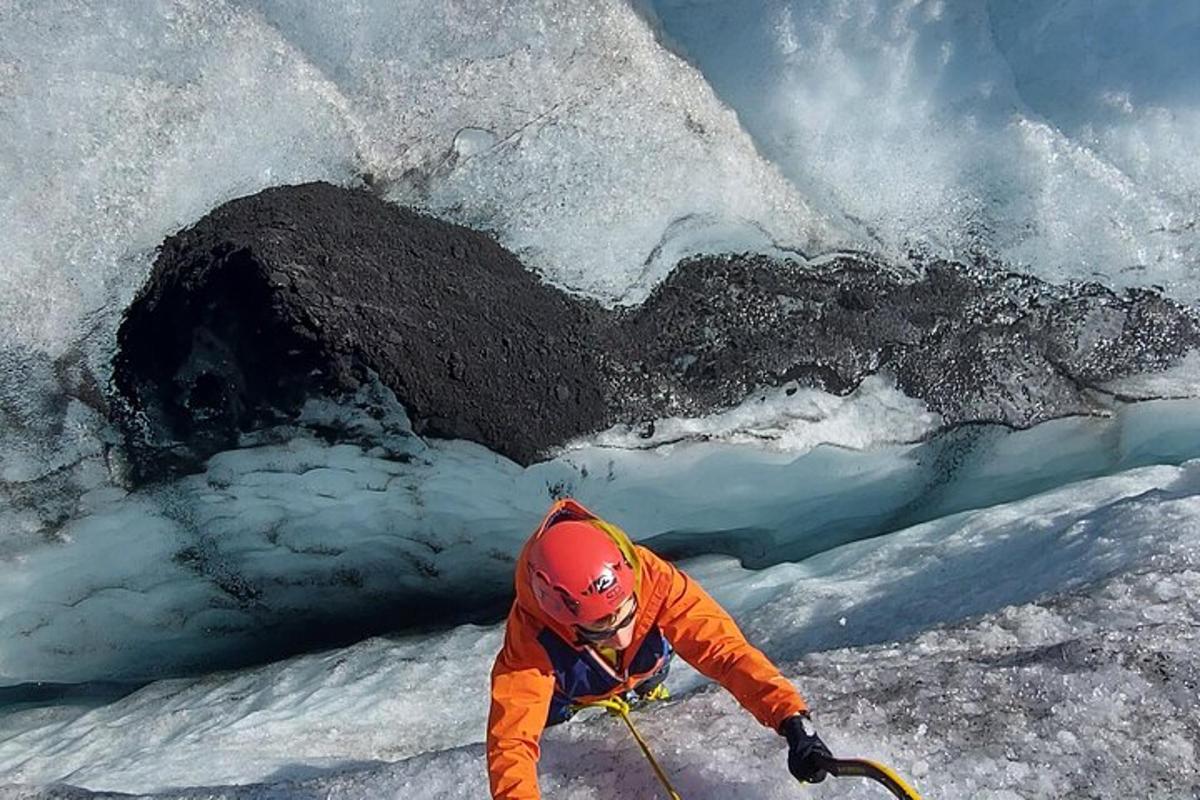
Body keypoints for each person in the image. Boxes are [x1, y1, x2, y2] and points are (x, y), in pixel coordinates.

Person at [487, 497, 831, 798]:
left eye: (627, 616)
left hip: (642, 666)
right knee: (547, 716)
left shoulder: (654, 578)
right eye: (601, 628)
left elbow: (725, 652)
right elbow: (512, 739)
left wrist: (790, 717)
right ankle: (578, 706)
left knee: (649, 654)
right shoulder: (530, 634)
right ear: (562, 618)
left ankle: (644, 687)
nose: (622, 638)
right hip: (569, 688)